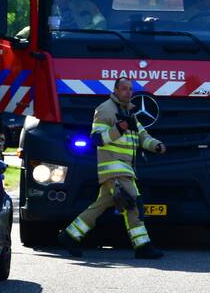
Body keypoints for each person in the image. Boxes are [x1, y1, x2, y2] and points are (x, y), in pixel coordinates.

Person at [56, 77, 166, 259]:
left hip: (123, 169)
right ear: (115, 90)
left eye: (130, 89)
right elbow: (97, 138)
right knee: (133, 203)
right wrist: (119, 129)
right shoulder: (105, 109)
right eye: (124, 89)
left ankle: (69, 236)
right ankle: (143, 246)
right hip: (113, 169)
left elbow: (142, 136)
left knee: (99, 206)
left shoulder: (130, 112)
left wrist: (156, 145)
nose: (128, 92)